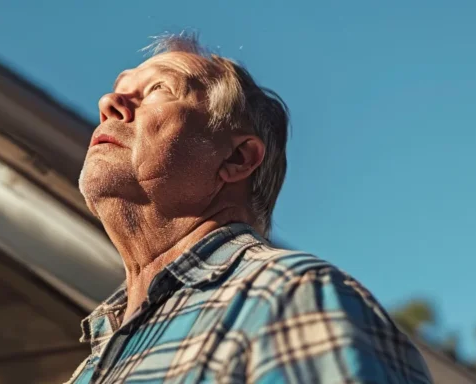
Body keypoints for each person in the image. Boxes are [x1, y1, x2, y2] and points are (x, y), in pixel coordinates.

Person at [66, 33, 433, 384]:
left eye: (159, 89)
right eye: (119, 88)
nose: (108, 103)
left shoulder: (289, 295)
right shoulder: (90, 363)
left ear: (238, 158)